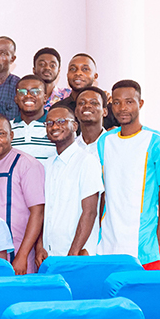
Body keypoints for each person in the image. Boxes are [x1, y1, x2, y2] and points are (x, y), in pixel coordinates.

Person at [98, 80, 160, 268]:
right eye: (116, 102)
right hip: (108, 241)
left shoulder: (157, 141)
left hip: (145, 245)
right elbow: (102, 190)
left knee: (148, 296)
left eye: (129, 102)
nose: (122, 108)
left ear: (140, 104)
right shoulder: (105, 141)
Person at [0, 115, 45, 274]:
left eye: (1, 133)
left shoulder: (27, 164)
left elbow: (38, 212)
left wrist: (22, 255)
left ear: (11, 136)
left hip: (19, 252)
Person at [37, 106, 102, 263]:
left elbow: (90, 211)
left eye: (61, 121)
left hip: (76, 254)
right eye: (49, 123)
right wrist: (39, 246)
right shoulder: (48, 164)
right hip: (49, 254)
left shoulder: (87, 161)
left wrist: (73, 252)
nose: (54, 126)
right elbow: (43, 209)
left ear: (74, 126)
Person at [60, 53, 119, 129]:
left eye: (85, 69)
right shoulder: (59, 108)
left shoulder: (108, 107)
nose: (78, 73)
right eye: (73, 69)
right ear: (67, 75)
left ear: (95, 76)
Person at [11, 74, 56, 161]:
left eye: (35, 91)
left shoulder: (57, 127)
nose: (28, 95)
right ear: (16, 98)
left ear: (45, 98)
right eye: (22, 92)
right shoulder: (6, 129)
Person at [73, 86, 109, 154]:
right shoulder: (70, 147)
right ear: (76, 112)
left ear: (104, 112)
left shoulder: (113, 144)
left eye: (94, 103)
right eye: (82, 103)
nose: (87, 106)